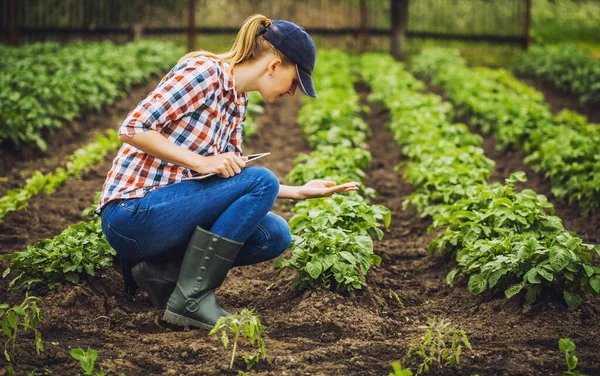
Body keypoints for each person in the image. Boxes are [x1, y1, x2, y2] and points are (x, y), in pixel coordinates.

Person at [95, 14, 359, 330]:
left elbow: (233, 179)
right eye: (295, 81)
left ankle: (162, 273)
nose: (293, 92)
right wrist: (201, 162)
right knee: (262, 179)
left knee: (274, 234)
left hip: (168, 216)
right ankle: (192, 299)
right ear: (274, 65)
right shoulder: (204, 74)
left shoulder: (237, 101)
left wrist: (299, 191)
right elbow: (132, 128)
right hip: (131, 215)